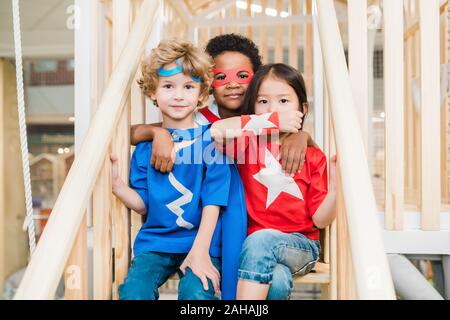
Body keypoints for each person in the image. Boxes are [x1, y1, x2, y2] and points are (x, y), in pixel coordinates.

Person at [129, 34, 318, 299]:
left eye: (243, 76)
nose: (232, 84)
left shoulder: (265, 112)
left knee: (271, 281)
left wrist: (302, 135)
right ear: (208, 85)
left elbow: (291, 134)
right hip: (217, 215)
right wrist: (156, 133)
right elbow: (133, 133)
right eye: (221, 77)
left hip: (260, 227)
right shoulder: (200, 116)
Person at [111, 40, 231, 300]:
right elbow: (143, 204)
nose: (178, 95)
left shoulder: (212, 140)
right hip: (156, 243)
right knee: (134, 292)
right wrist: (118, 187)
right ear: (153, 92)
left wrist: (201, 249)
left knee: (197, 294)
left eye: (188, 87)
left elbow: (214, 201)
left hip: (203, 242)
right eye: (168, 86)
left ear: (201, 94)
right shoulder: (144, 150)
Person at [210, 63, 337, 300]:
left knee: (262, 239)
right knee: (276, 281)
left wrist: (337, 192)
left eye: (283, 101)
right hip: (254, 250)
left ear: (303, 107)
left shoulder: (312, 156)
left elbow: (320, 219)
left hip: (301, 245)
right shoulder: (247, 147)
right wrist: (272, 122)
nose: (273, 109)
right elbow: (217, 131)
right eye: (263, 102)